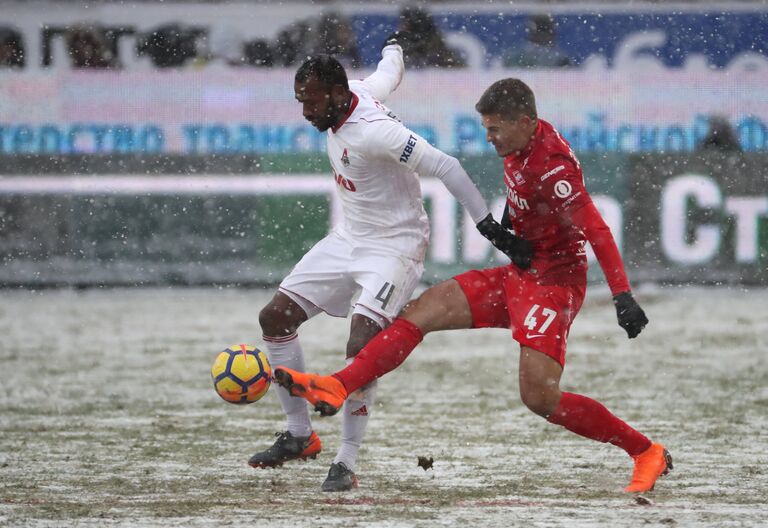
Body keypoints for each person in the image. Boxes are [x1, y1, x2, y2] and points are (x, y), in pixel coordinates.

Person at [273, 78, 673, 494]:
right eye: (486, 128)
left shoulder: (552, 166)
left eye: (495, 129)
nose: (489, 137)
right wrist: (508, 225)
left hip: (553, 284)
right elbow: (526, 196)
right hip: (520, 273)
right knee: (421, 311)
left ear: (524, 122)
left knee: (539, 397)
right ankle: (339, 383)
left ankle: (645, 451)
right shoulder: (521, 141)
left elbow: (598, 231)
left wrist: (622, 295)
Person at [250, 44, 533, 493]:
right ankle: (300, 436)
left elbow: (446, 165)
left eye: (312, 101)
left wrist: (490, 228)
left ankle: (346, 460)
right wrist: (395, 47)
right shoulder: (357, 91)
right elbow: (390, 72)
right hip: (348, 238)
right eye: (300, 100)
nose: (305, 111)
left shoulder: (376, 132)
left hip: (395, 247)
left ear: (338, 93)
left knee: (361, 343)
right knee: (274, 318)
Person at [503, 14, 572, 69]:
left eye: (545, 32)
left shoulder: (561, 60)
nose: (542, 37)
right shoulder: (517, 58)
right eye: (540, 32)